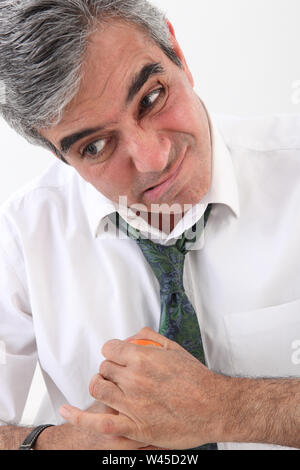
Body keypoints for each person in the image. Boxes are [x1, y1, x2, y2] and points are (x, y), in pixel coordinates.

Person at [0, 0, 299, 451]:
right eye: (96, 146)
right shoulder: (22, 235)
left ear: (177, 51)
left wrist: (225, 408)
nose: (153, 159)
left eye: (152, 98)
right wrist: (56, 444)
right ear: (58, 155)